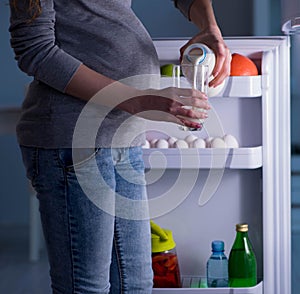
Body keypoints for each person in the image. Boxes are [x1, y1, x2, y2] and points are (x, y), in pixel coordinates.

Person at [9, 0, 231, 293]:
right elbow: (36, 51)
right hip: (74, 143)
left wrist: (209, 26)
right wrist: (139, 100)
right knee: (86, 288)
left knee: (136, 284)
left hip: (123, 139)